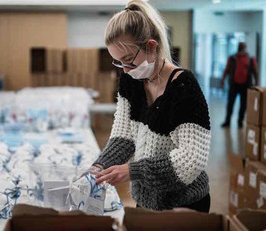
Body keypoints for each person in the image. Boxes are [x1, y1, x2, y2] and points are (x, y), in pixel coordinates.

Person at [87, 0, 211, 213]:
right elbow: (123, 136)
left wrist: (132, 171)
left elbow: (191, 160)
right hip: (147, 200)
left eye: (129, 61)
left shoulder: (183, 87)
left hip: (184, 203)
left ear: (151, 46)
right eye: (119, 63)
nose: (125, 70)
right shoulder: (130, 81)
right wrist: (101, 166)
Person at [220, 42, 258, 128]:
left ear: (245, 48)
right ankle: (227, 121)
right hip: (234, 85)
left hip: (245, 85)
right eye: (240, 48)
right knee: (230, 103)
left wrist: (256, 83)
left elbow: (255, 72)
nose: (241, 50)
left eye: (242, 48)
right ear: (238, 48)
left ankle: (240, 121)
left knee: (243, 104)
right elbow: (227, 69)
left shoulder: (250, 59)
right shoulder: (232, 58)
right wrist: (222, 80)